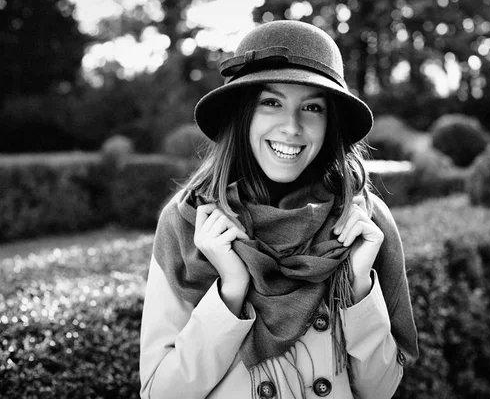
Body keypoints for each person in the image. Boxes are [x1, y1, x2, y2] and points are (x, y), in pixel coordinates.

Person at [139, 20, 418, 399]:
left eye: (312, 107)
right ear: (243, 115)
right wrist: (230, 290)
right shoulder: (187, 222)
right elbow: (160, 392)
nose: (292, 126)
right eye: (271, 102)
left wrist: (358, 283)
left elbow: (380, 390)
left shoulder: (363, 222)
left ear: (329, 122)